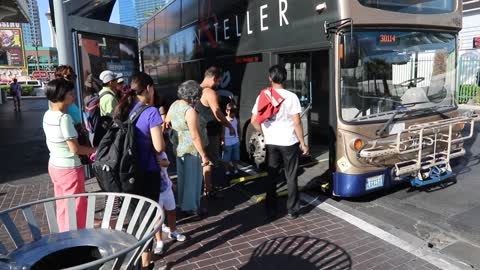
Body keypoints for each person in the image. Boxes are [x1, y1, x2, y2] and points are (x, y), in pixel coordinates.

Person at [113, 72, 165, 269]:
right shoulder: (150, 112)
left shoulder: (122, 109)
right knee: (148, 220)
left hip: (126, 174)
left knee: (134, 219)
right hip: (147, 174)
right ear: (149, 88)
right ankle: (145, 264)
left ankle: (135, 260)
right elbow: (159, 147)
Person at [250, 65, 309, 220]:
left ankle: (271, 210)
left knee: (271, 176)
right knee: (291, 176)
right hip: (289, 142)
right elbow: (297, 122)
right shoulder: (291, 97)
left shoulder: (263, 95)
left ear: (270, 78)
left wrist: (264, 133)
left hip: (271, 142)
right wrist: (303, 142)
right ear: (286, 78)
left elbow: (254, 121)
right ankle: (293, 210)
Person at [43, 78, 96, 232]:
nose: (73, 96)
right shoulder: (64, 118)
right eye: (70, 93)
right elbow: (75, 149)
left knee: (62, 204)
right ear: (61, 95)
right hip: (69, 169)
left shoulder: (48, 114)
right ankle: (75, 240)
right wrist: (95, 150)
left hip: (54, 165)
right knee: (76, 207)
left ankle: (63, 234)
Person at [166, 80, 210, 216]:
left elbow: (167, 121)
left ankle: (183, 204)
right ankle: (192, 208)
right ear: (193, 96)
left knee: (183, 178)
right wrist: (204, 155)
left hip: (179, 147)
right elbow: (195, 136)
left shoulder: (174, 105)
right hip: (191, 148)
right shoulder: (189, 111)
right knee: (193, 180)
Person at [196, 67, 235, 197]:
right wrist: (229, 126)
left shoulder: (194, 90)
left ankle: (203, 189)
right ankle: (209, 190)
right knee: (209, 162)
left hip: (197, 132)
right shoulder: (209, 92)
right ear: (214, 78)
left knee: (201, 161)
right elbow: (218, 114)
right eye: (218, 81)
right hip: (210, 132)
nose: (218, 84)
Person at [153, 152, 186, 255]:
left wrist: (171, 183)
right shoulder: (146, 153)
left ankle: (173, 232)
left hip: (166, 188)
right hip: (154, 191)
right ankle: (159, 241)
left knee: (172, 211)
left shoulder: (162, 153)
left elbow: (166, 166)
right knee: (157, 217)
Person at [93, 70, 122, 146]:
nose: (117, 82)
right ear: (110, 83)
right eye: (115, 80)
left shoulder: (101, 93)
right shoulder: (110, 98)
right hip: (109, 134)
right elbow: (113, 119)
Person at [221, 102, 241, 176]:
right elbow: (222, 133)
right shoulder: (224, 121)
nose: (233, 113)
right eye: (231, 111)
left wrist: (239, 139)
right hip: (227, 142)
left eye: (234, 111)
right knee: (226, 158)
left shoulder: (237, 120)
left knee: (236, 157)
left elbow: (239, 130)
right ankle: (227, 170)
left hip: (235, 141)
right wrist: (223, 143)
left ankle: (236, 169)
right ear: (226, 111)